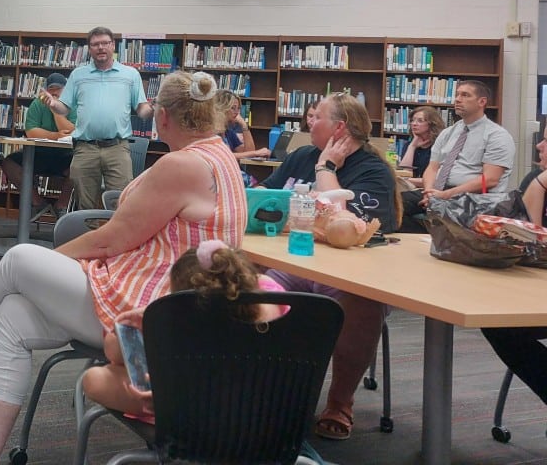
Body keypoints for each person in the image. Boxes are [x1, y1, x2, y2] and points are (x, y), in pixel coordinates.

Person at [0, 70, 246, 465]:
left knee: (19, 258)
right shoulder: (219, 154)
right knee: (13, 315)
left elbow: (110, 239)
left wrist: (53, 263)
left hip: (153, 310)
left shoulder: (184, 165)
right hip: (168, 299)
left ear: (165, 117)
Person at [259, 92, 397, 440]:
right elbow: (267, 196)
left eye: (316, 116)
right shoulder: (301, 155)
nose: (309, 121)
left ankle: (340, 402)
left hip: (353, 274)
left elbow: (344, 225)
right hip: (297, 262)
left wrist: (326, 169)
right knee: (252, 290)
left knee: (363, 304)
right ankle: (266, 390)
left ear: (339, 128)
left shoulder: (372, 170)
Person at [82, 239, 287, 421]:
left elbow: (114, 354)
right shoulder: (278, 299)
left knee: (95, 379)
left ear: (182, 296)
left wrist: (131, 326)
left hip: (195, 412)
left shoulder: (179, 323)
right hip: (269, 412)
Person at [39, 27, 153, 211]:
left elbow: (141, 109)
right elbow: (64, 108)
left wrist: (153, 109)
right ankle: (89, 238)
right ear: (89, 49)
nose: (100, 48)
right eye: (95, 44)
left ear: (113, 45)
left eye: (105, 43)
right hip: (85, 149)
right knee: (84, 205)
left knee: (121, 203)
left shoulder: (130, 75)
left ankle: (117, 240)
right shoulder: (78, 75)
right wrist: (53, 103)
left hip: (117, 148)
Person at [481, 121, 547, 404]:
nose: (539, 146)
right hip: (537, 292)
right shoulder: (536, 179)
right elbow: (531, 240)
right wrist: (541, 183)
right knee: (498, 324)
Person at [419, 80, 514, 207]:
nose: (458, 99)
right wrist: (429, 193)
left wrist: (446, 195)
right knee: (394, 202)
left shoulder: (497, 136)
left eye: (465, 95)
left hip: (474, 199)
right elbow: (432, 168)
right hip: (438, 192)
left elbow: (490, 180)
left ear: (482, 102)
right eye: (457, 95)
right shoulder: (448, 133)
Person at [1, 72, 75, 213]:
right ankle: (37, 202)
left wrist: (55, 110)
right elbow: (31, 131)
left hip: (66, 155)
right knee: (9, 163)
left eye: (58, 91)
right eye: (51, 91)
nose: (54, 94)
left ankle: (62, 205)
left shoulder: (73, 104)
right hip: (39, 154)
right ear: (46, 91)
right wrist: (55, 135)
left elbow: (71, 131)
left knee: (80, 167)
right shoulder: (37, 104)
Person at [397, 106, 446, 232]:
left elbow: (435, 178)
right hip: (412, 187)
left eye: (420, 120)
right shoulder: (410, 144)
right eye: (413, 120)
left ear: (431, 124)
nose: (414, 124)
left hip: (428, 189)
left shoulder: (439, 147)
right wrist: (413, 146)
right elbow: (405, 171)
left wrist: (409, 180)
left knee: (398, 202)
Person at [216, 89, 270, 159]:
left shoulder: (229, 133)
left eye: (238, 109)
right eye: (233, 108)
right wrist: (256, 153)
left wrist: (244, 125)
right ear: (221, 108)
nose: (237, 112)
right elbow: (223, 156)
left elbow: (249, 151)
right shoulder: (211, 132)